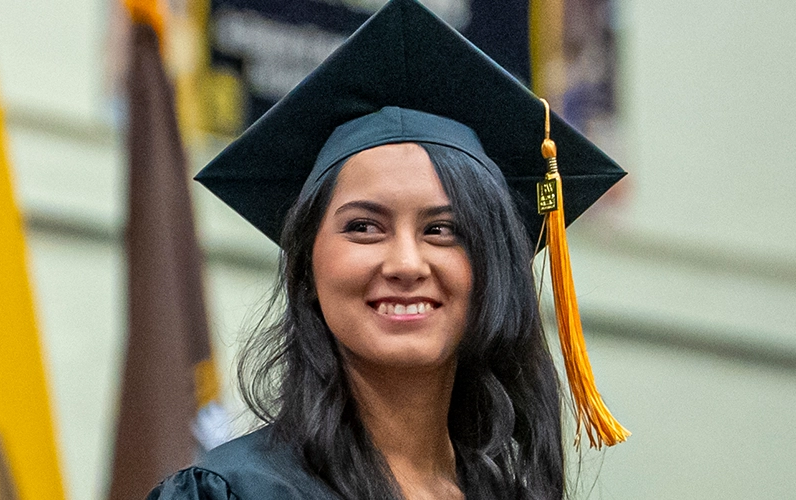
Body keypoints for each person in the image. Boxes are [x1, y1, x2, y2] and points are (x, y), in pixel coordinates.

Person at [146, 1, 626, 499]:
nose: (404, 264)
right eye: (364, 227)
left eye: (443, 230)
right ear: (307, 266)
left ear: (493, 268)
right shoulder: (232, 493)